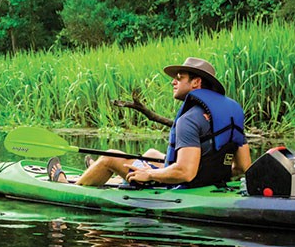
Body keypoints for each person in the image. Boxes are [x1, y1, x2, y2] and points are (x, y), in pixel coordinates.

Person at [67, 57, 251, 188]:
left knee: (110, 156)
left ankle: (71, 186)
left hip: (182, 186)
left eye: (179, 78)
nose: (173, 82)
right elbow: (243, 167)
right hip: (208, 181)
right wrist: (213, 172)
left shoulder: (189, 120)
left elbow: (186, 173)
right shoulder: (230, 115)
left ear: (196, 83)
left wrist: (150, 175)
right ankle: (112, 177)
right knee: (152, 153)